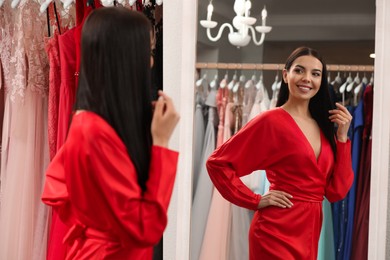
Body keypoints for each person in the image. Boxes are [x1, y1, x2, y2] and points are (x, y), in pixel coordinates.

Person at [41, 7, 180, 259]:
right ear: (124, 59)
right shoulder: (93, 132)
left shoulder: (91, 124)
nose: (150, 62)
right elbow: (145, 228)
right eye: (146, 52)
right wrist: (161, 142)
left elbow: (57, 186)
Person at [206, 47, 354, 260]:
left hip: (310, 233)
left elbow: (336, 192)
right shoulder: (271, 121)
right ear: (286, 75)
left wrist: (342, 138)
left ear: (321, 81)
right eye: (299, 70)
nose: (307, 79)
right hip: (274, 232)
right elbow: (217, 164)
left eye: (315, 74)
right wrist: (255, 200)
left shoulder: (324, 128)